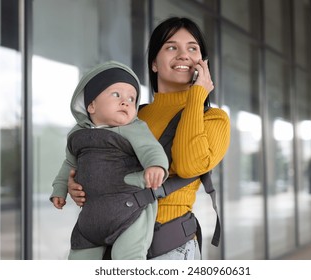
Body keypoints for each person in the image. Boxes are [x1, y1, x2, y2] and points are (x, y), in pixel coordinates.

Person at [68, 17, 230, 260]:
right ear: (154, 63)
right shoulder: (131, 116)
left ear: (202, 64)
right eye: (171, 47)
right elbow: (100, 159)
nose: (183, 55)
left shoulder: (213, 119)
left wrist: (197, 95)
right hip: (110, 244)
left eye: (192, 48)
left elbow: (188, 164)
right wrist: (79, 184)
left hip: (167, 248)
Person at [50, 60, 169, 260]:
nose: (126, 102)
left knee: (128, 260)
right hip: (90, 219)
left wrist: (156, 166)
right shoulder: (77, 135)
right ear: (91, 105)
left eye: (132, 99)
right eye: (116, 95)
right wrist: (59, 189)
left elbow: (150, 148)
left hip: (129, 213)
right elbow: (69, 165)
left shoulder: (135, 128)